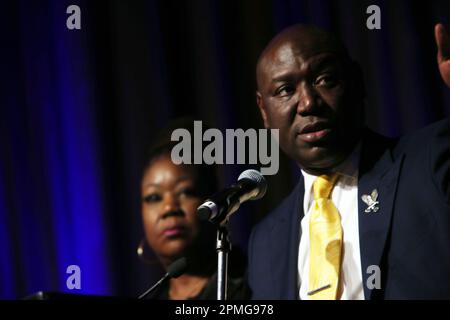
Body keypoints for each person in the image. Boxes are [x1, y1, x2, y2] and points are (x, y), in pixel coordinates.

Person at [248, 23, 450, 299]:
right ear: (264, 110)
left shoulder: (430, 160)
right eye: (285, 90)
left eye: (325, 79)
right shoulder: (264, 243)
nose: (308, 103)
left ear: (357, 81)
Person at [139, 119, 250, 300]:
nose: (168, 208)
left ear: (212, 199)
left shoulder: (255, 280)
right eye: (154, 197)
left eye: (186, 192)